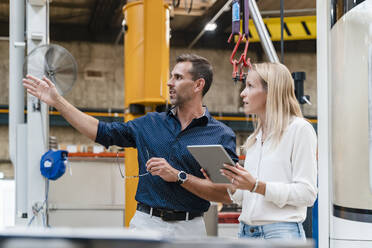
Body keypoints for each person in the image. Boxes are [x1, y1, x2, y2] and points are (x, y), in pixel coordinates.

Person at [23, 54, 238, 237]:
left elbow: (226, 194)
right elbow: (102, 132)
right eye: (171, 76)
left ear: (198, 85)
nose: (169, 82)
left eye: (178, 77)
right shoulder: (149, 124)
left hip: (190, 229)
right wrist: (58, 102)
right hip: (147, 224)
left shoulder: (219, 135)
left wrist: (178, 175)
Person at [221, 62, 317, 240]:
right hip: (246, 232)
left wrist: (257, 186)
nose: (242, 93)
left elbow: (307, 194)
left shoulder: (299, 130)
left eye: (250, 86)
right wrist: (234, 186)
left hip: (280, 235)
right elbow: (248, 197)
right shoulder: (255, 139)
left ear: (271, 91)